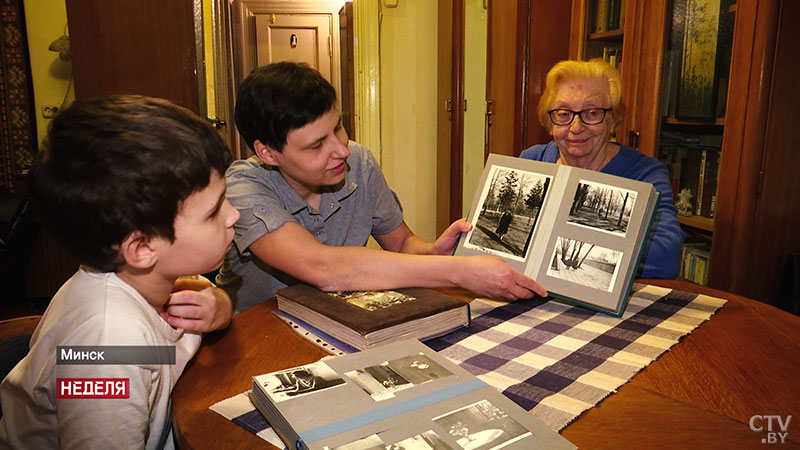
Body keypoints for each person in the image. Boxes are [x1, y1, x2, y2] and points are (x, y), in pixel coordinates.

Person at [0, 95, 240, 449]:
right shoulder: (108, 345)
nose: (233, 215)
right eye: (214, 211)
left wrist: (219, 306)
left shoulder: (151, 280)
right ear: (142, 249)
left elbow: (159, 355)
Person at [216, 62, 547, 312]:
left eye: (339, 128)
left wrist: (433, 251)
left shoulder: (358, 162)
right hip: (258, 335)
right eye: (317, 145)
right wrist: (458, 271)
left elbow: (401, 242)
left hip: (340, 320)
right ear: (267, 152)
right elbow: (322, 267)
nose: (341, 149)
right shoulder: (241, 188)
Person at [520, 59, 683, 278]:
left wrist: (544, 243)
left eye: (592, 113)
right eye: (563, 113)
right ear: (550, 123)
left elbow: (663, 257)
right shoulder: (533, 160)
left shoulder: (644, 173)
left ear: (612, 121)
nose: (576, 127)